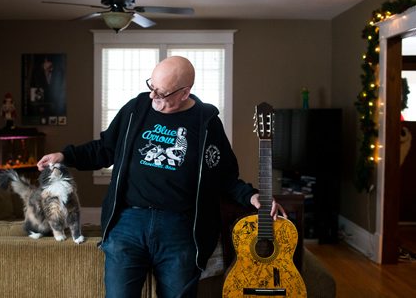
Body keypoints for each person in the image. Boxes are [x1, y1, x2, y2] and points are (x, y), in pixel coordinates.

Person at [37, 56, 286, 298]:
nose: (153, 96)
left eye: (162, 93)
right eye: (151, 87)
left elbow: (225, 176)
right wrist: (64, 155)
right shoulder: (136, 109)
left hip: (180, 227)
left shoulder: (207, 122)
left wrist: (252, 195)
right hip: (129, 222)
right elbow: (105, 149)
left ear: (185, 92)